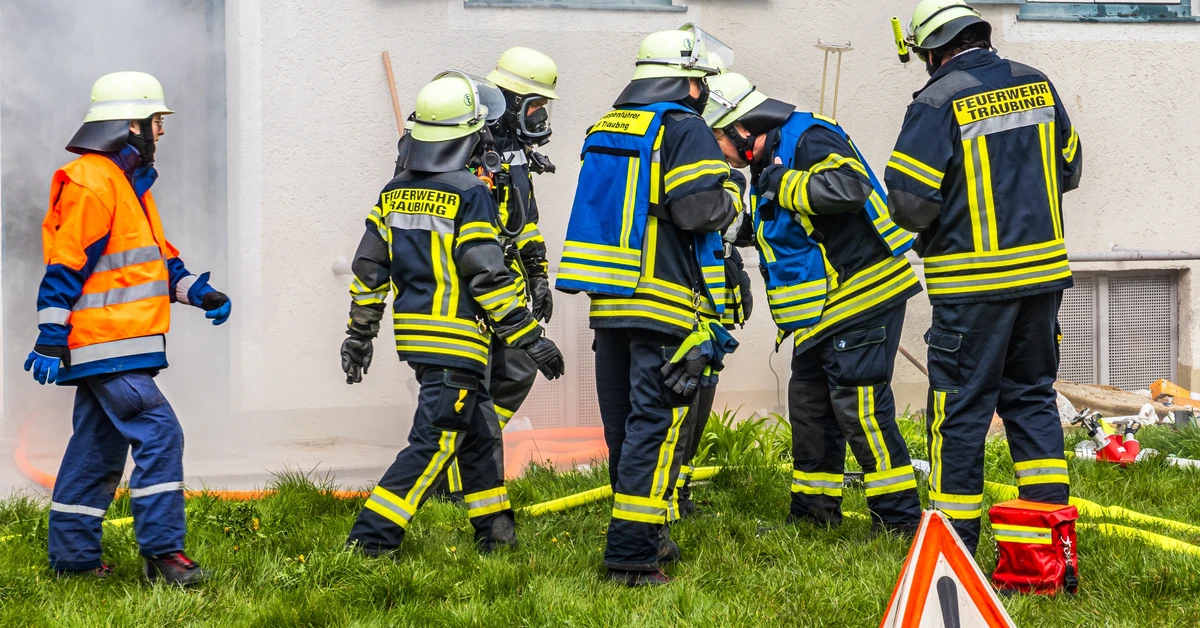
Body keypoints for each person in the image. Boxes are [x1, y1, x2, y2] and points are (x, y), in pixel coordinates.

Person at [886, 0, 1082, 555]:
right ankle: (1049, 544)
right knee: (1031, 398)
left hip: (973, 286)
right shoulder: (1037, 84)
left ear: (932, 49)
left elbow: (907, 201)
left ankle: (954, 549)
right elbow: (1069, 166)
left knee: (961, 409)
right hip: (1043, 278)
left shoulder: (938, 99)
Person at [341, 71, 565, 556]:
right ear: (469, 134)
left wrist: (359, 335)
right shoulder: (470, 192)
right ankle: (370, 541)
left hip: (419, 339)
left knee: (481, 436)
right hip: (458, 342)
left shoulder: (393, 192)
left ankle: (496, 535)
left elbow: (369, 270)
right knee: (435, 443)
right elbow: (489, 278)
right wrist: (530, 338)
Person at [28, 71, 231, 585]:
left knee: (96, 449)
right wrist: (50, 336)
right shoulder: (93, 181)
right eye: (156, 121)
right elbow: (65, 266)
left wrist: (198, 292)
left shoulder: (126, 183)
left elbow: (154, 264)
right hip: (105, 344)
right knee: (160, 432)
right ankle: (164, 556)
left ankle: (73, 562)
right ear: (130, 125)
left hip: (120, 344)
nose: (161, 131)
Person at [556, 25, 740, 586]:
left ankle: (651, 534)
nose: (703, 92)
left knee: (625, 426)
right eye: (701, 82)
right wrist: (731, 193)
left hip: (609, 300)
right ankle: (631, 557)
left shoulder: (609, 125)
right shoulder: (684, 128)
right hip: (662, 300)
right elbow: (695, 211)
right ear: (688, 84)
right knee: (655, 426)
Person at [702, 71, 924, 535]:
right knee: (810, 408)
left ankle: (899, 521)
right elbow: (789, 225)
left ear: (742, 128)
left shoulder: (809, 137)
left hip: (863, 295)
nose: (718, 151)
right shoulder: (771, 158)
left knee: (861, 410)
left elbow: (847, 190)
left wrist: (781, 183)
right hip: (821, 312)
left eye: (717, 138)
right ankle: (813, 517)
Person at [482, 46, 560, 430]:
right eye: (535, 106)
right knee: (477, 384)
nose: (541, 116)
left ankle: (472, 459)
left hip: (507, 282)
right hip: (477, 285)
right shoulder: (475, 148)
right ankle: (459, 474)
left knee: (515, 371)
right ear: (512, 102)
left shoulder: (513, 149)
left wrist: (538, 275)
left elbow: (524, 222)